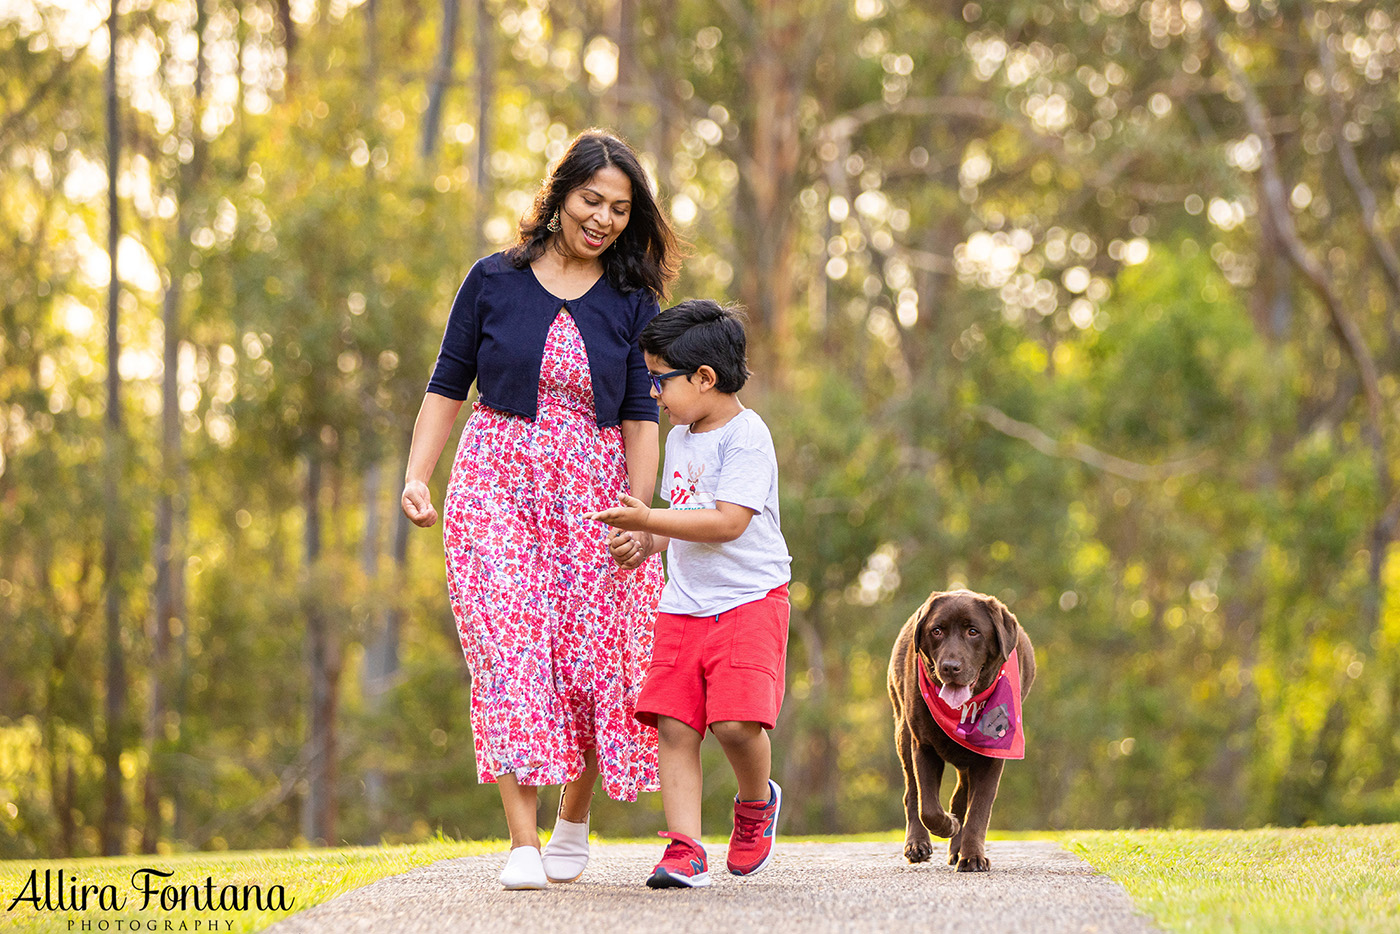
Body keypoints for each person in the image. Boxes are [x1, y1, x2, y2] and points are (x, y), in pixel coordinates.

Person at [400, 130, 681, 890]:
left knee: (596, 662)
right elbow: (448, 383)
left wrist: (642, 513)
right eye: (593, 200)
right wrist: (418, 477)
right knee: (511, 650)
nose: (605, 219)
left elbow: (640, 413)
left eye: (621, 209)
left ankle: (572, 817)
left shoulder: (632, 301)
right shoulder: (493, 279)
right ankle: (521, 842)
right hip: (496, 479)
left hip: (594, 496)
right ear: (560, 195)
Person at [585, 300, 792, 888]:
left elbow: (727, 522)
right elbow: (685, 516)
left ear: (704, 378)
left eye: (660, 380)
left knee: (733, 724)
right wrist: (647, 544)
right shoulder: (680, 437)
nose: (653, 393)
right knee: (674, 724)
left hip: (750, 598)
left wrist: (649, 519)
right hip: (685, 604)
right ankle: (684, 849)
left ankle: (755, 805)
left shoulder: (747, 437)